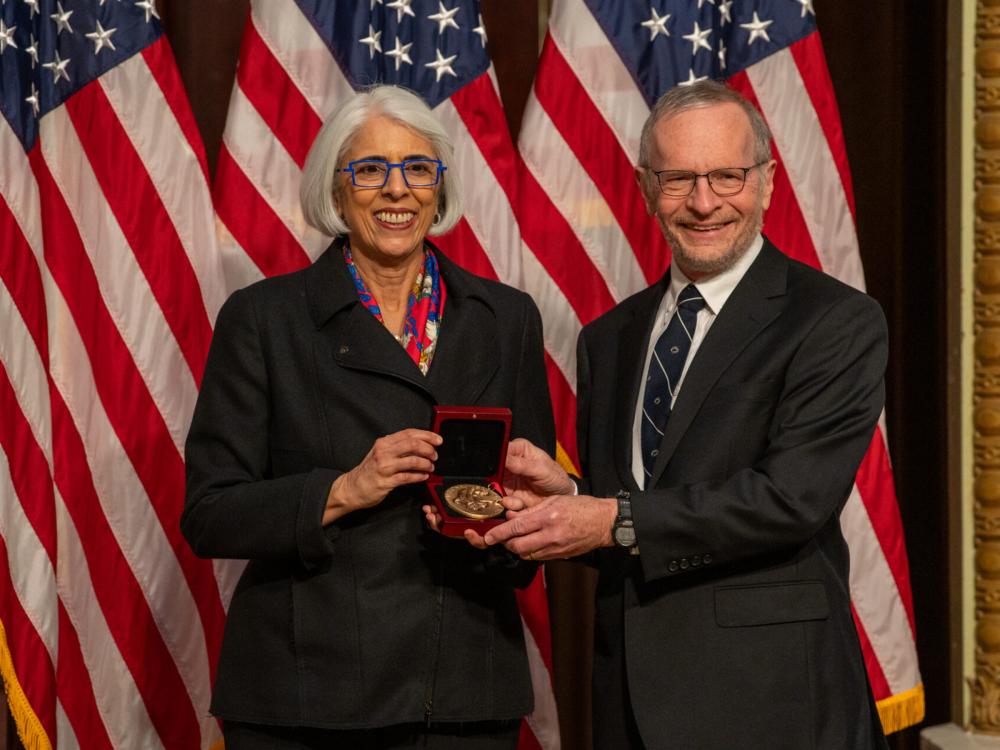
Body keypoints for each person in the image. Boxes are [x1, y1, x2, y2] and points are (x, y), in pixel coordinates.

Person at [485, 80, 890, 750]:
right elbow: (638, 519)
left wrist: (609, 518)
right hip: (630, 704)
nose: (704, 203)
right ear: (647, 187)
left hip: (773, 703)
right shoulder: (609, 340)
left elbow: (790, 500)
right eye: (678, 179)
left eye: (727, 176)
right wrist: (569, 506)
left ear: (766, 182)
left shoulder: (835, 321)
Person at [181, 85, 554, 750]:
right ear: (336, 187)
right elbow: (210, 513)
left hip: (463, 694)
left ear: (439, 190)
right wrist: (343, 489)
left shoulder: (507, 319)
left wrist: (511, 527)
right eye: (371, 170)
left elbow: (524, 525)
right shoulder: (264, 320)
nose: (396, 190)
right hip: (305, 700)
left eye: (417, 169)